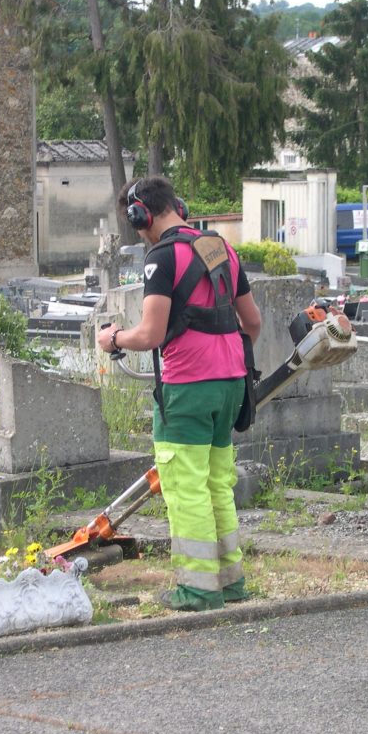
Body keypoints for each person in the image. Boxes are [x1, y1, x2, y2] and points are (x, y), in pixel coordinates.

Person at [97, 176, 262, 612]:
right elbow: (253, 324)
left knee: (185, 488)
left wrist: (114, 339)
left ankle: (197, 589)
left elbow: (151, 334)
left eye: (138, 224)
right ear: (179, 206)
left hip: (189, 388)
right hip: (231, 384)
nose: (141, 232)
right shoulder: (220, 248)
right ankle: (230, 581)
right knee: (216, 485)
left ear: (141, 214)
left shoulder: (161, 257)